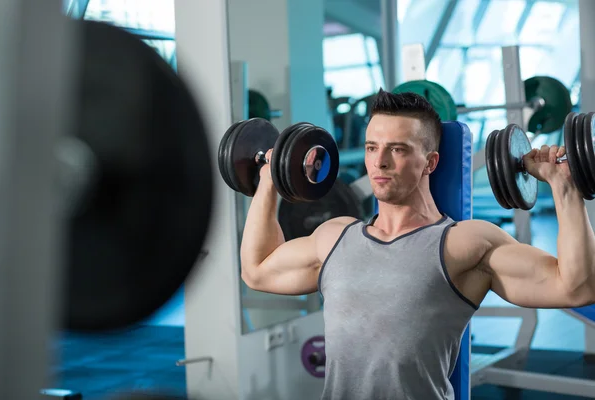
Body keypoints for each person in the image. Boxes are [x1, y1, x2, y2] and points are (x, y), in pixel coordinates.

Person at [239, 89, 595, 400]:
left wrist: (565, 189)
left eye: (397, 150)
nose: (379, 162)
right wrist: (269, 182)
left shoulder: (463, 244)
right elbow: (257, 270)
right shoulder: (336, 237)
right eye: (372, 147)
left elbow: (576, 287)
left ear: (430, 162)